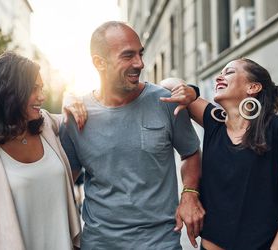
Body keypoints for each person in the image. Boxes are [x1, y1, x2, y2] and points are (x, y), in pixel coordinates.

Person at [60, 21, 204, 249]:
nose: (140, 63)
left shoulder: (166, 102)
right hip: (99, 243)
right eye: (128, 56)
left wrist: (190, 193)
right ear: (99, 62)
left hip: (160, 242)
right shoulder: (76, 116)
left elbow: (191, 153)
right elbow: (63, 180)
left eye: (140, 54)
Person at [160, 58, 278, 250]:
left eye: (228, 72)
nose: (219, 77)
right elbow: (166, 83)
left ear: (253, 87)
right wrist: (191, 91)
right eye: (220, 73)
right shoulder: (214, 123)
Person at [0, 51, 81, 250]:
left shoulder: (47, 127)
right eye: (34, 89)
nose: (42, 96)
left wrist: (69, 98)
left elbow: (75, 115)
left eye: (42, 88)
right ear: (9, 92)